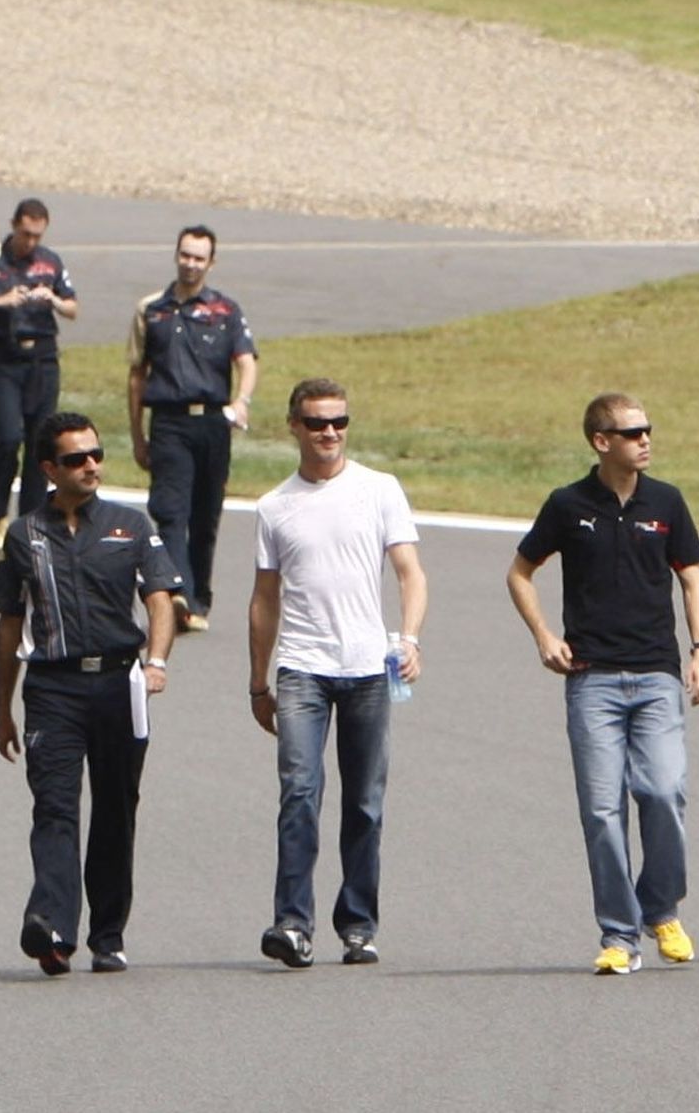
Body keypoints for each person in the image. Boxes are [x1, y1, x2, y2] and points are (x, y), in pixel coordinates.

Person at [507, 390, 699, 975]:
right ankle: (619, 936)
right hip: (591, 678)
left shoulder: (666, 502)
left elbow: (693, 580)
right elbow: (520, 573)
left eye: (648, 429)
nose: (645, 439)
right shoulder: (568, 505)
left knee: (664, 791)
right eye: (632, 432)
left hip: (655, 675)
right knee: (601, 810)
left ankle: (661, 908)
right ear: (602, 442)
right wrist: (544, 635)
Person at [0, 410, 181, 975]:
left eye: (96, 455)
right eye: (76, 459)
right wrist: (3, 708)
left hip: (121, 683)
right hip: (52, 687)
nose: (91, 465)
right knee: (54, 806)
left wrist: (157, 661)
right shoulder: (25, 534)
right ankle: (51, 924)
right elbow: (7, 624)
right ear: (50, 468)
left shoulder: (131, 524)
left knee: (116, 810)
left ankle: (108, 932)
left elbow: (160, 598)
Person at [242, 374, 420, 968]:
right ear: (293, 426)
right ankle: (292, 923)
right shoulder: (274, 507)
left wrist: (410, 639)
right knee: (299, 793)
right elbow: (265, 598)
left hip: (369, 667)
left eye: (339, 421)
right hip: (301, 669)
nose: (329, 432)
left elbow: (410, 573)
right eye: (316, 422)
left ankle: (358, 924)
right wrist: (257, 679)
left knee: (365, 802)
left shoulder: (379, 489)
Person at [128, 226, 257, 622]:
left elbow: (247, 362)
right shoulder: (151, 309)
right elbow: (136, 375)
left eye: (199, 257)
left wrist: (241, 400)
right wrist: (138, 435)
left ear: (211, 263)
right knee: (170, 511)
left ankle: (199, 597)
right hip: (169, 423)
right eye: (185, 255)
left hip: (213, 424)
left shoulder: (225, 310)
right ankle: (177, 591)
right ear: (176, 255)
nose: (190, 263)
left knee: (205, 515)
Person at [0, 201, 79, 548]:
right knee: (7, 436)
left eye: (37, 236)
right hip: (3, 356)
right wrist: (0, 301)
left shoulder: (50, 261)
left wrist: (52, 298)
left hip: (42, 357)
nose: (30, 242)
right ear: (13, 226)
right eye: (25, 234)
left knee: (41, 442)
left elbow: (73, 308)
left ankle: (31, 521)